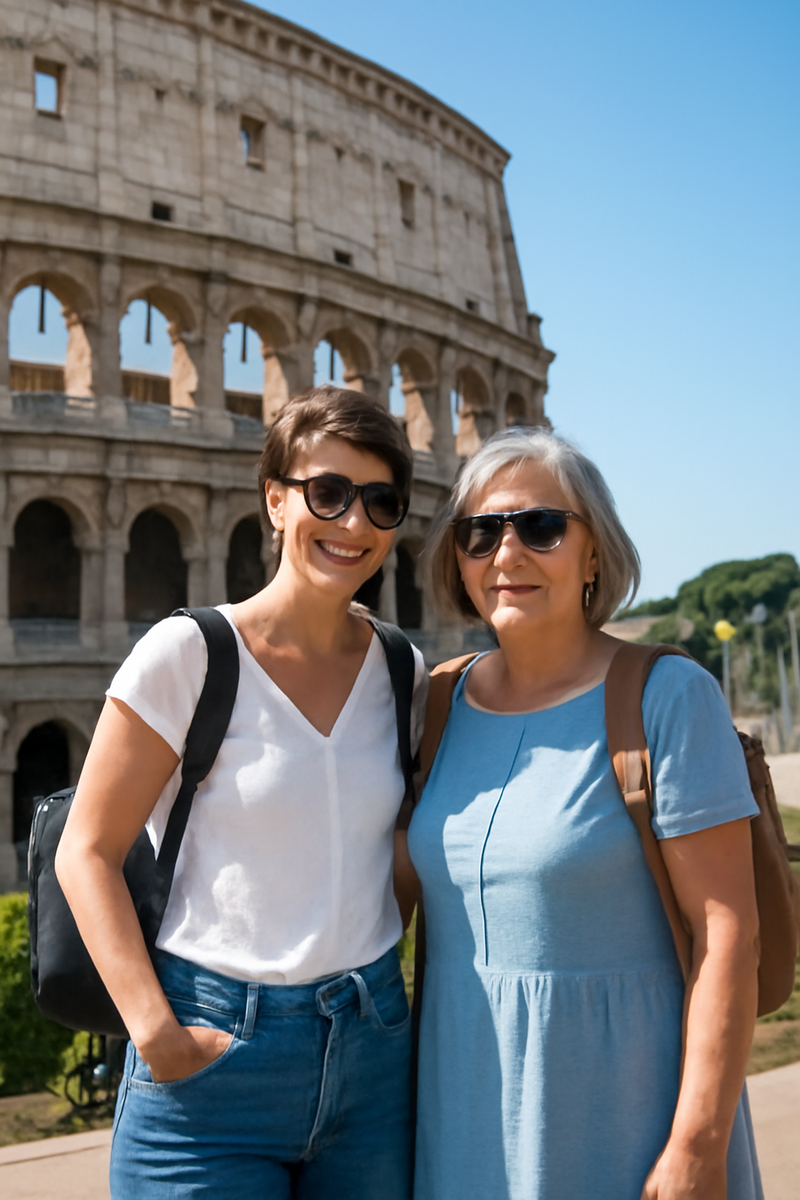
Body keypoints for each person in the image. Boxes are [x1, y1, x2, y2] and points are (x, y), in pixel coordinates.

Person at [56, 386, 427, 1200]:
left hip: (371, 1049)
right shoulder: (188, 653)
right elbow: (86, 850)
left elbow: (390, 843)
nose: (354, 522)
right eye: (327, 492)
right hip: (212, 1054)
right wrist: (157, 1034)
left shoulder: (403, 670)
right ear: (276, 501)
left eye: (380, 502)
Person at [400, 427, 763, 1200]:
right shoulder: (436, 703)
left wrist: (698, 1143)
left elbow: (728, 933)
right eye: (480, 533)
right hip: (461, 1111)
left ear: (594, 552)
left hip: (627, 1114)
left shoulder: (668, 695)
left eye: (540, 526)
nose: (507, 553)